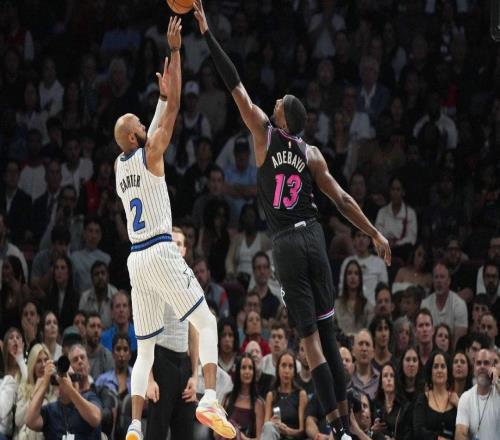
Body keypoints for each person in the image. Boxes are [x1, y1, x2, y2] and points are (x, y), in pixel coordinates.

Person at [193, 3, 392, 437]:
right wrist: (375, 232)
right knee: (329, 332)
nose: (276, 100)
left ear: (283, 118)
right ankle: (348, 426)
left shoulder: (263, 132)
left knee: (310, 341)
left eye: (281, 102)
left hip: (285, 242)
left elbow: (234, 83)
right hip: (315, 236)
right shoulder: (312, 154)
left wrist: (206, 31)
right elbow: (342, 199)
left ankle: (336, 426)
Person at [113, 17, 234, 440]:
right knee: (208, 322)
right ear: (135, 137)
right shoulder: (149, 153)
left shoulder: (119, 165)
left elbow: (156, 120)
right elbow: (176, 110)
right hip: (161, 249)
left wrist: (160, 100)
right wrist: (178, 53)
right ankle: (210, 398)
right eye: (139, 124)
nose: (145, 125)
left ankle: (134, 424)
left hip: (135, 259)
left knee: (145, 347)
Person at [144, 226, 200, 440]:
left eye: (179, 244)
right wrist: (149, 379)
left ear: (184, 250)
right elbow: (145, 333)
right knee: (156, 433)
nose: (175, 247)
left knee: (185, 433)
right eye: (171, 243)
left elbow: (194, 334)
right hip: (160, 360)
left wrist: (195, 376)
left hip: (183, 364)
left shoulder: (192, 283)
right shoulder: (154, 282)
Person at [25, 358, 102, 439]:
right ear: (56, 384)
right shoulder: (50, 410)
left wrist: (70, 389)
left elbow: (95, 419)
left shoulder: (89, 397)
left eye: (72, 377)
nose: (69, 381)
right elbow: (30, 421)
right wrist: (45, 382)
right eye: (66, 378)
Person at [14, 343, 57, 440]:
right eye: (38, 361)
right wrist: (35, 393)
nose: (43, 365)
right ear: (32, 365)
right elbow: (18, 421)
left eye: (46, 360)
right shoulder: (24, 388)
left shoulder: (55, 389)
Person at [412, 350, 458, 440]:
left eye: (443, 366)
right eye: (435, 366)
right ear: (430, 372)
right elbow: (418, 431)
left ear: (448, 371)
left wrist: (459, 405)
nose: (439, 370)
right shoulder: (422, 399)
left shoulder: (456, 400)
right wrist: (438, 438)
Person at [455, 348, 500, 440]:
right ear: (474, 368)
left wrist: (496, 380)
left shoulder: (498, 393)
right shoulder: (466, 397)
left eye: (486, 363)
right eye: (479, 363)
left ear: (493, 367)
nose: (482, 366)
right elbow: (460, 433)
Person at [261, 351, 307, 440]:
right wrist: (273, 423)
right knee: (268, 426)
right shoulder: (271, 395)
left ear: (294, 371)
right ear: (278, 369)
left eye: (290, 366)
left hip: (292, 437)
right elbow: (265, 426)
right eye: (283, 365)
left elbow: (302, 431)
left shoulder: (301, 394)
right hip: (274, 436)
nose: (287, 371)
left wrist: (287, 431)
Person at [219, 353, 264, 440]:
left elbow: (260, 438)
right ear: (238, 371)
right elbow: (216, 435)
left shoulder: (258, 404)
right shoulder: (227, 398)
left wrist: (241, 436)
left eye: (250, 368)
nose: (247, 371)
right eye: (243, 368)